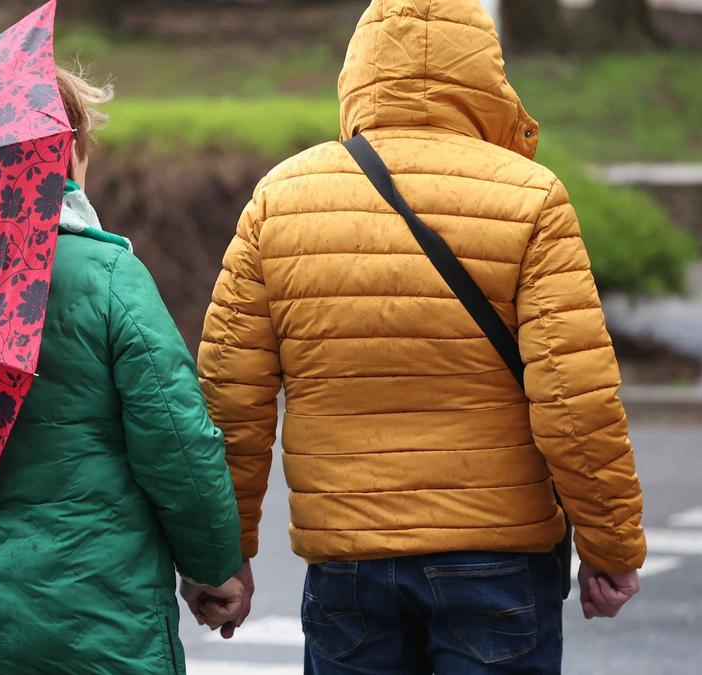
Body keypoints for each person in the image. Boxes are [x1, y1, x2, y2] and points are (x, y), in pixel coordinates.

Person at [191, 0, 647, 672]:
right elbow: (574, 398)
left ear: (359, 72)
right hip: (499, 562)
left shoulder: (279, 201)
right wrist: (611, 545)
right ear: (486, 77)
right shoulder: (532, 199)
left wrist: (222, 553)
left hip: (347, 566)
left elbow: (231, 401)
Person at [0, 66, 244, 674]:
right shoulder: (107, 278)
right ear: (70, 148)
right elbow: (178, 441)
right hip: (97, 620)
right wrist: (216, 569)